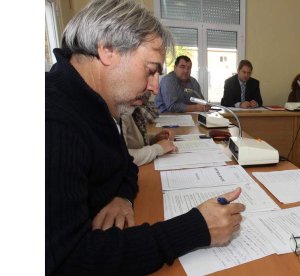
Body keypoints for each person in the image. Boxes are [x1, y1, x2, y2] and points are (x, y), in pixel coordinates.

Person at [45, 0, 245, 275]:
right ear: (108, 49)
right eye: (150, 70)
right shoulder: (52, 120)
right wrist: (195, 229)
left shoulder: (98, 103)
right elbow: (68, 261)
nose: (154, 87)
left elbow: (124, 165)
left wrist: (122, 196)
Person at [121, 91, 177, 166]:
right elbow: (120, 157)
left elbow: (133, 142)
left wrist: (154, 139)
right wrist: (158, 149)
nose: (155, 91)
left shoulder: (133, 109)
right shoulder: (120, 114)